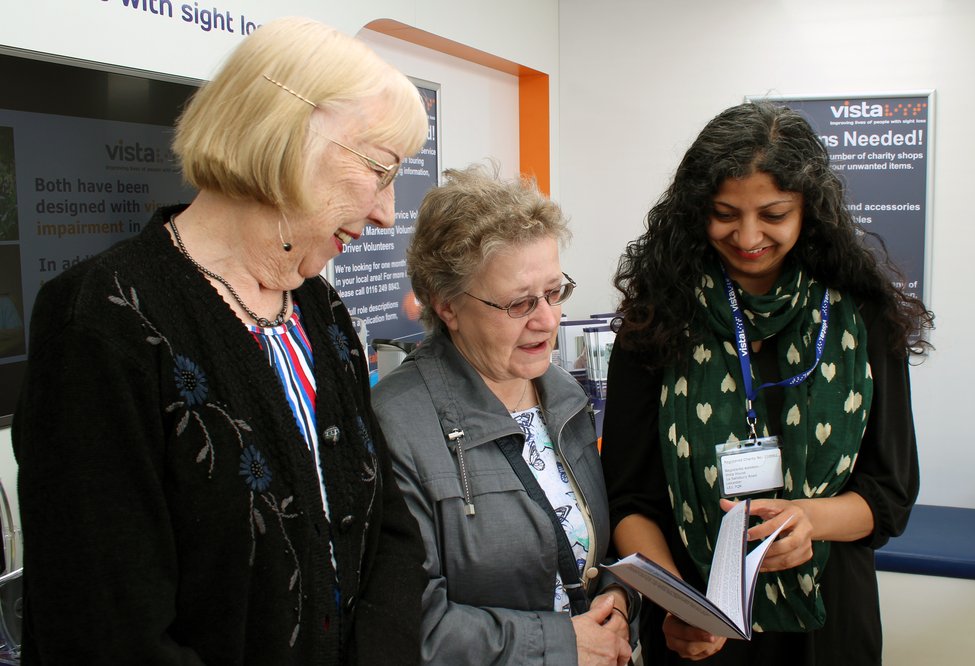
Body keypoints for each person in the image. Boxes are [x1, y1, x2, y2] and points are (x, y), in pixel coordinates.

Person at [12, 17, 428, 665]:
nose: (387, 212)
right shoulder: (105, 319)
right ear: (289, 136)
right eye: (380, 169)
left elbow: (388, 529)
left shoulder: (319, 308)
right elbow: (105, 630)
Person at [601, 101, 933, 665]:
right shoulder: (657, 319)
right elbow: (630, 499)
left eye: (774, 213)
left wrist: (811, 519)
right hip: (699, 626)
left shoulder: (861, 317)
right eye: (725, 212)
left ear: (811, 210)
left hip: (829, 625)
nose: (747, 235)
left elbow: (890, 493)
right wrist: (678, 605)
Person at [371, 165, 636, 666]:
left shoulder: (561, 394)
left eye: (555, 292)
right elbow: (413, 626)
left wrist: (621, 599)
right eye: (519, 303)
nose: (548, 319)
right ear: (448, 305)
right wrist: (563, 646)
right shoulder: (398, 423)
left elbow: (597, 546)